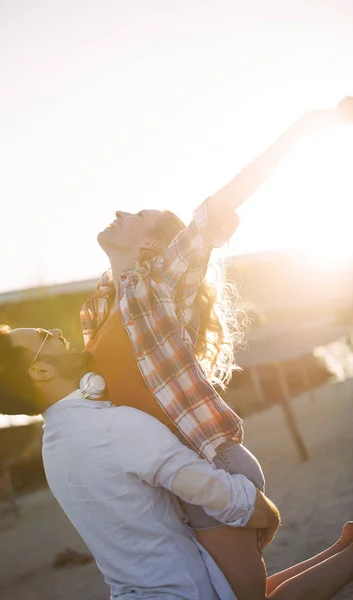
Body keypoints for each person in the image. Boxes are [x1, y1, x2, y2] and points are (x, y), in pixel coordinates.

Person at [80, 97, 353, 600]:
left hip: (211, 465)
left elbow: (223, 201)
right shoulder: (98, 315)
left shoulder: (163, 282)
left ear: (150, 248)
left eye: (136, 213)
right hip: (177, 483)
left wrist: (308, 127)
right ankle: (342, 551)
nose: (119, 212)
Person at [0, 326, 353, 600]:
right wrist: (262, 509)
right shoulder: (113, 425)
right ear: (40, 371)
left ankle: (340, 551)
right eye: (46, 338)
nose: (57, 332)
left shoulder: (55, 444)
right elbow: (207, 486)